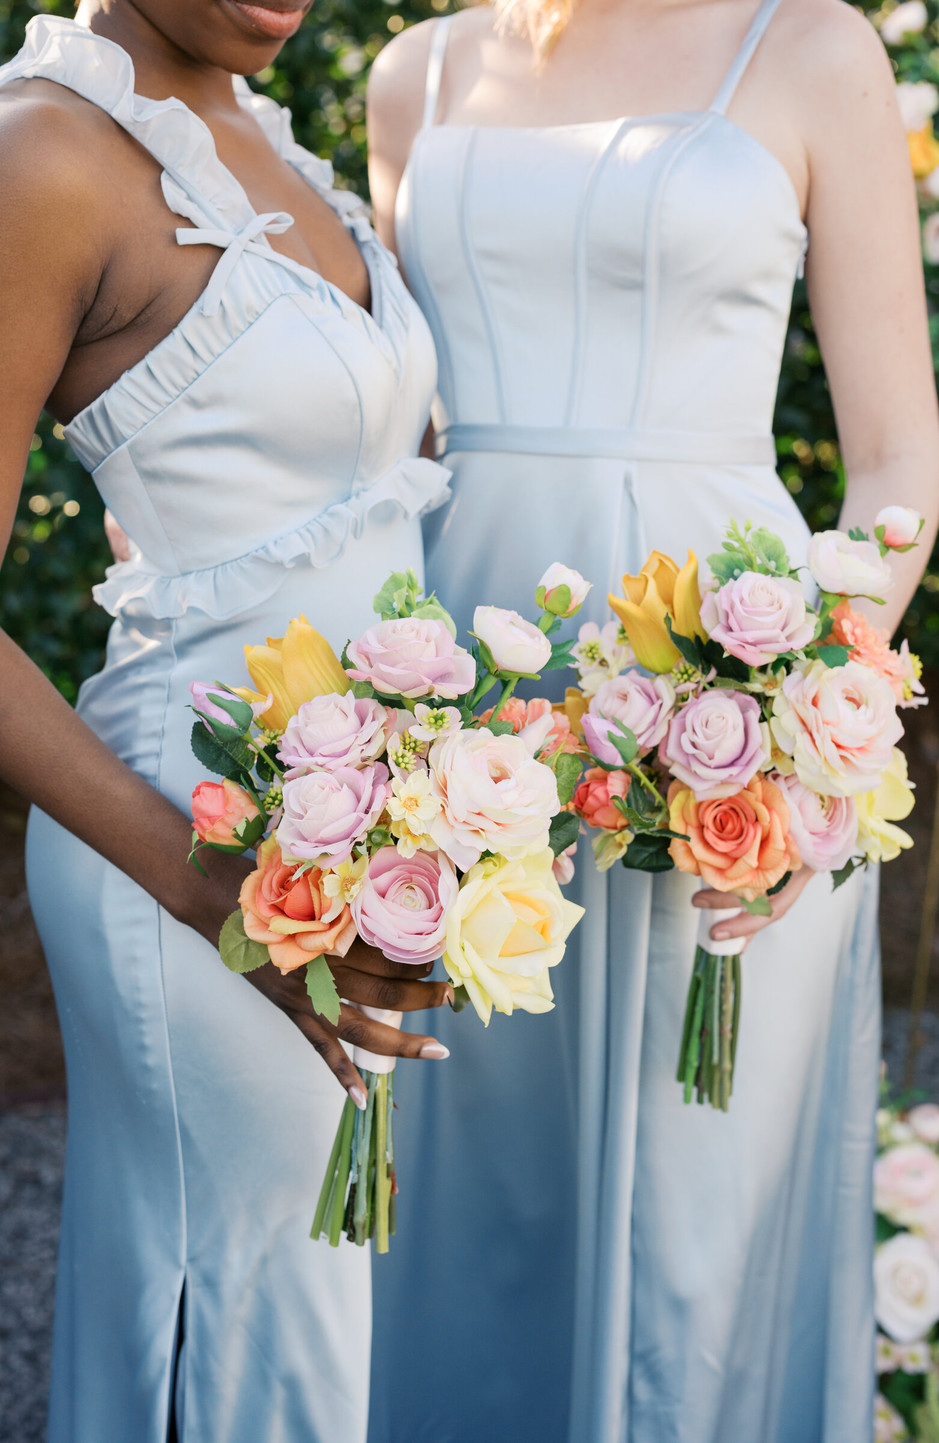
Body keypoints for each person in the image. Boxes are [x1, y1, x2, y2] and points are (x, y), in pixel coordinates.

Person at [365, 1, 939, 1439]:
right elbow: (406, 429)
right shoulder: (414, 69)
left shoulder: (812, 47)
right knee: (468, 1168)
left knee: (694, 1199)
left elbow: (893, 465)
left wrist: (814, 716)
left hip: (726, 681)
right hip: (469, 688)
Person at [0, 3, 455, 1439]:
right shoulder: (46, 156)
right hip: (188, 856)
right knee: (242, 1343)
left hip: (341, 855)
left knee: (303, 1329)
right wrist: (214, 897)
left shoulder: (269, 144)